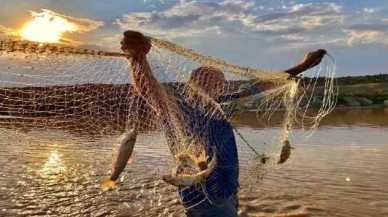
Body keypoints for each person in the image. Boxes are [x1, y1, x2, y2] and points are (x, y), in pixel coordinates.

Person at [120, 30, 326, 217]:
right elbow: (149, 90)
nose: (215, 86)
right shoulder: (178, 109)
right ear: (190, 86)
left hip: (228, 190)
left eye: (219, 83)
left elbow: (261, 86)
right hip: (202, 197)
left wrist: (302, 66)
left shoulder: (224, 105)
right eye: (206, 81)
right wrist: (137, 59)